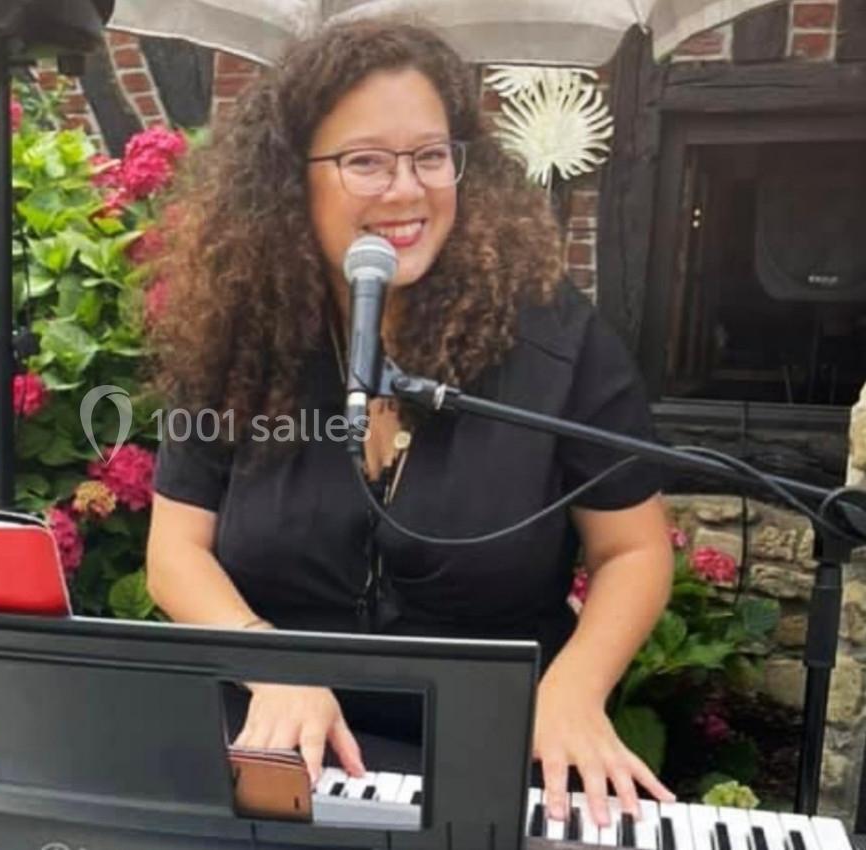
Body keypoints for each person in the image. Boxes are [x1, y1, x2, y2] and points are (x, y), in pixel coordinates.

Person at [142, 19, 676, 829]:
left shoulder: (554, 338)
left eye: (431, 155)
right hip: (284, 738)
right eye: (365, 160)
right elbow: (175, 551)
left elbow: (631, 547)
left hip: (495, 747)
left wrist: (572, 690)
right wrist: (272, 664)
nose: (406, 190)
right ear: (292, 181)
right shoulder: (243, 339)